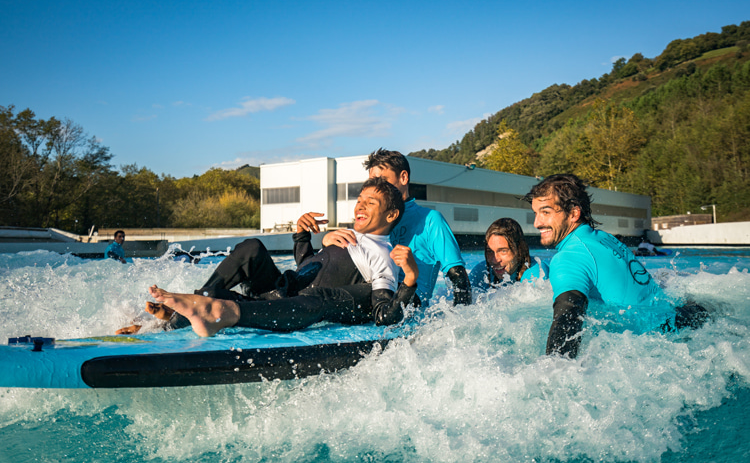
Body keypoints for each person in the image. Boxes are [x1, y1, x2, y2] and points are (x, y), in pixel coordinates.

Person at [117, 177, 419, 337]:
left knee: (218, 296)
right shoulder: (345, 235)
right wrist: (302, 235)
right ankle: (179, 313)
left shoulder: (382, 254)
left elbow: (383, 314)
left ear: (391, 213)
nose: (360, 207)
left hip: (295, 308)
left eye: (371, 202)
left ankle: (188, 314)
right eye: (359, 200)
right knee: (251, 248)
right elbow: (308, 267)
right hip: (281, 291)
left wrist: (409, 279)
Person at [525, 174, 708, 358]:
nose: (537, 223)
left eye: (546, 212)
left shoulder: (568, 258)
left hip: (662, 350)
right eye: (536, 213)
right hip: (686, 322)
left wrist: (554, 375)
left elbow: (568, 316)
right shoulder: (605, 238)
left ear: (573, 213)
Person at [322, 148, 471, 305]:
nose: (377, 187)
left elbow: (458, 277)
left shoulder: (430, 220)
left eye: (382, 180)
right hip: (372, 292)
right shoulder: (371, 219)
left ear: (403, 177)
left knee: (323, 298)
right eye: (373, 181)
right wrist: (328, 243)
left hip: (409, 302)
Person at [469, 218, 548, 291]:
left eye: (503, 251)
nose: (495, 260)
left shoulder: (537, 274)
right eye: (490, 252)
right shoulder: (481, 272)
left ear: (519, 250)